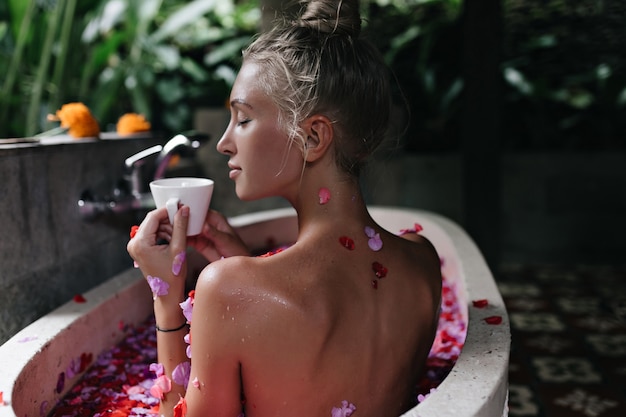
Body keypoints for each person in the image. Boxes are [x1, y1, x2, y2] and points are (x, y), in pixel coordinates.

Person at [127, 0, 442, 416]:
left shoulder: (227, 288)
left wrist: (166, 298)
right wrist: (242, 264)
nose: (224, 142)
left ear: (313, 138)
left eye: (242, 119)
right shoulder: (423, 261)